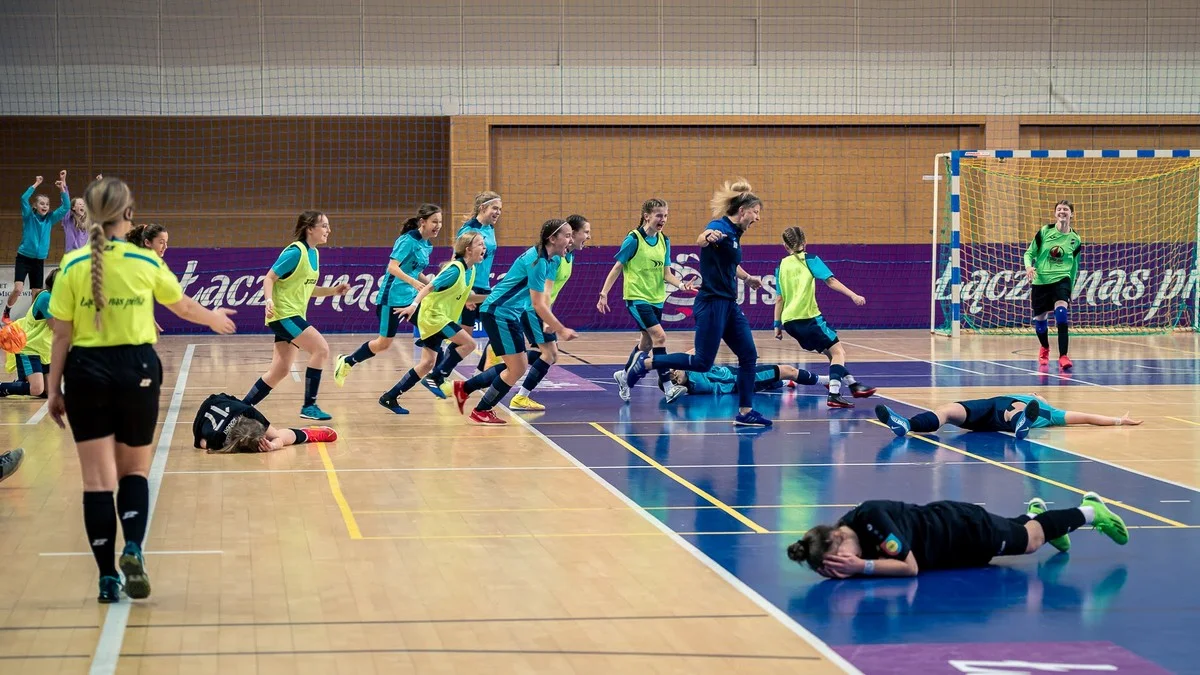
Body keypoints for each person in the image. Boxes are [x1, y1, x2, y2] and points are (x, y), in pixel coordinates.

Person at [46, 176, 236, 603]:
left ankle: (106, 579)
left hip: (86, 373)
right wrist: (213, 318)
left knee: (96, 481)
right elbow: (182, 306)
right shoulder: (145, 261)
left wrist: (54, 390)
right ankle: (132, 547)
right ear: (128, 215)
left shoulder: (73, 266)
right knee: (134, 470)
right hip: (137, 369)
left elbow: (61, 337)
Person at [626, 178, 771, 427]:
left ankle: (745, 413)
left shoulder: (735, 234)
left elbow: (729, 263)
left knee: (749, 356)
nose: (757, 218)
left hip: (729, 305)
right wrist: (707, 236)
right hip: (712, 303)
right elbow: (702, 238)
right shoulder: (721, 226)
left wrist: (748, 279)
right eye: (755, 213)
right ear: (743, 210)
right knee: (703, 362)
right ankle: (646, 363)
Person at [786, 493, 1128, 578]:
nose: (846, 563)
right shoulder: (847, 532)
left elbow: (909, 568)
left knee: (1030, 542)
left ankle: (1090, 511)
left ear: (837, 537)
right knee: (1023, 530)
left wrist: (862, 568)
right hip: (954, 548)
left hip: (963, 529)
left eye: (842, 557)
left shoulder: (873, 522)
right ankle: (1036, 515)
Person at [451, 219, 578, 425]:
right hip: (498, 312)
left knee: (517, 365)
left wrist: (550, 321)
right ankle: (481, 409)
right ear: (552, 238)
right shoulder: (537, 261)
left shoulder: (549, 260)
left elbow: (543, 296)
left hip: (508, 313)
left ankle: (465, 390)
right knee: (517, 368)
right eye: (567, 236)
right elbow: (537, 303)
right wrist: (560, 329)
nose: (570, 240)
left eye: (572, 235)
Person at [241, 211, 350, 421]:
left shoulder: (314, 253)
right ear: (310, 229)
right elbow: (269, 278)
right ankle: (309, 406)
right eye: (324, 226)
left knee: (279, 371)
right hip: (284, 314)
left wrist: (333, 291)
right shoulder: (295, 252)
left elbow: (308, 289)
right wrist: (269, 301)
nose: (329, 230)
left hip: (292, 315)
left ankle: (242, 408)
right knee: (321, 349)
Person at [596, 199, 695, 401]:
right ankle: (668, 387)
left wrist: (682, 285)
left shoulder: (664, 240)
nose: (663, 219)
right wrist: (604, 293)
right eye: (659, 215)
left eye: (666, 215)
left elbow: (667, 274)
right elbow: (617, 267)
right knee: (660, 338)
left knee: (646, 345)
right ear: (646, 216)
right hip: (637, 297)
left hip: (656, 299)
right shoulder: (634, 239)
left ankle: (624, 376)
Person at [333, 204, 441, 386]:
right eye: (434, 221)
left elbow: (416, 271)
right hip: (391, 299)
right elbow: (392, 267)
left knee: (433, 324)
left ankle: (434, 372)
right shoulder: (407, 240)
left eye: (440, 222)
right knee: (383, 344)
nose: (438, 225)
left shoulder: (427, 244)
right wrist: (413, 282)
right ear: (422, 222)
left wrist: (431, 283)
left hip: (410, 299)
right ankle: (347, 361)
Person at [382, 232, 488, 414]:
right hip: (433, 316)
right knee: (469, 343)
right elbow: (429, 286)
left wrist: (491, 297)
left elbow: (468, 296)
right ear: (469, 250)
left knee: (427, 363)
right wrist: (413, 305)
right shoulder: (455, 269)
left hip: (440, 317)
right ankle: (438, 377)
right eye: (480, 244)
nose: (484, 248)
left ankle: (390, 397)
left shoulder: (470, 271)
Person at [774, 226, 875, 408]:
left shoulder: (780, 266)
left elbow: (779, 298)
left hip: (790, 323)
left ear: (784, 246)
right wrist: (853, 295)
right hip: (808, 317)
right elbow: (830, 280)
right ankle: (834, 395)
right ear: (805, 242)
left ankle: (853, 385)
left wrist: (777, 325)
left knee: (832, 355)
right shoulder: (809, 259)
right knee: (839, 352)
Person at [509, 214, 591, 411]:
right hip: (532, 308)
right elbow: (545, 291)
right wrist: (551, 322)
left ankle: (495, 371)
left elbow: (550, 293)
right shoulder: (555, 259)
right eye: (585, 232)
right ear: (572, 233)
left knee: (539, 355)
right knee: (551, 354)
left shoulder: (567, 256)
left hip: (540, 310)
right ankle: (520, 397)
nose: (588, 237)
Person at [876, 395, 1142, 441]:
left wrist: (1118, 420)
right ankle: (906, 424)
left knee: (1015, 410)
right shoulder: (1026, 395)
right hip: (983, 410)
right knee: (947, 411)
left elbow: (1086, 417)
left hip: (1003, 415)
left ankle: (1020, 423)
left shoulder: (1052, 412)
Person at [6, 171, 70, 324]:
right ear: (35, 206)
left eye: (47, 204)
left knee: (36, 293)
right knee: (18, 289)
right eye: (42, 204)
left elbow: (66, 206)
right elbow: (23, 198)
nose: (45, 206)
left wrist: (62, 188)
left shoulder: (50, 219)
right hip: (24, 257)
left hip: (38, 260)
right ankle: (7, 312)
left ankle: (31, 321)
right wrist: (36, 184)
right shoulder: (29, 216)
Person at [1024, 200, 1081, 370]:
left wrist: (1071, 286)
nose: (1062, 211)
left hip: (1061, 280)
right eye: (1059, 209)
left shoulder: (1075, 239)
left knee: (1061, 313)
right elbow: (1029, 253)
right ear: (1055, 213)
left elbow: (1074, 266)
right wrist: (1028, 267)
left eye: (1065, 209)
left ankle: (1063, 356)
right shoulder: (1045, 232)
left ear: (1072, 214)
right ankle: (1045, 348)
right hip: (1041, 281)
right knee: (1040, 321)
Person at [193, 393, 336, 453]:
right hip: (207, 412)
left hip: (226, 402)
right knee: (264, 441)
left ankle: (308, 434)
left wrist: (274, 445)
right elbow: (202, 443)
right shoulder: (217, 439)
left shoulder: (250, 412)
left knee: (275, 435)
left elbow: (277, 437)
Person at [456, 191, 502, 372]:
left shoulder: (490, 228)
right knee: (465, 338)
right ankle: (438, 373)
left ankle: (481, 371)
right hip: (471, 288)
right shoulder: (469, 230)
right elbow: (457, 260)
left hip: (484, 286)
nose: (498, 212)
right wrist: (467, 293)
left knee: (498, 326)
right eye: (495, 208)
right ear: (483, 208)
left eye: (500, 209)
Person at [1, 269, 57, 397]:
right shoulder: (46, 298)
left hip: (44, 350)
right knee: (36, 389)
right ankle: (3, 387)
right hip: (29, 347)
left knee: (48, 392)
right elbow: (56, 327)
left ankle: (22, 381)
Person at [664, 359, 828, 403]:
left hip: (739, 381)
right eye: (674, 379)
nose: (674, 374)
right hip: (741, 377)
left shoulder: (691, 374)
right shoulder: (693, 381)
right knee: (788, 370)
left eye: (672, 372)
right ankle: (825, 380)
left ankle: (785, 383)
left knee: (770, 381)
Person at [63, 174, 102, 253]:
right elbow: (65, 202)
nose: (83, 205)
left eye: (84, 204)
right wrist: (63, 181)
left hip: (84, 255)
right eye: (80, 204)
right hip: (72, 255)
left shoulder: (88, 220)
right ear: (73, 207)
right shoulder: (68, 219)